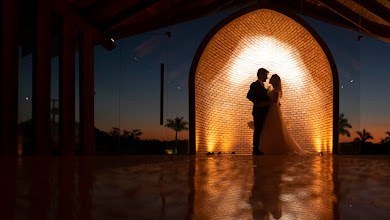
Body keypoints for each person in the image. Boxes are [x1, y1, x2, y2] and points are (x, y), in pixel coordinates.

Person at [258, 74, 304, 155]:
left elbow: (274, 102)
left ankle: (276, 149)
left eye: (271, 78)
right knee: (272, 130)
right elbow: (277, 102)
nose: (269, 79)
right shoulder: (274, 90)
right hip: (272, 111)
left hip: (273, 111)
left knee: (274, 129)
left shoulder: (276, 91)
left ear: (274, 80)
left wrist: (264, 104)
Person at [247, 68, 271, 155]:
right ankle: (255, 148)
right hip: (258, 111)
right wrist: (258, 103)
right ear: (261, 74)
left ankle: (260, 147)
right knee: (258, 129)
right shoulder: (255, 84)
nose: (267, 78)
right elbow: (249, 95)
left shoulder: (263, 86)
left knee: (261, 129)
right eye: (266, 75)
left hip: (264, 112)